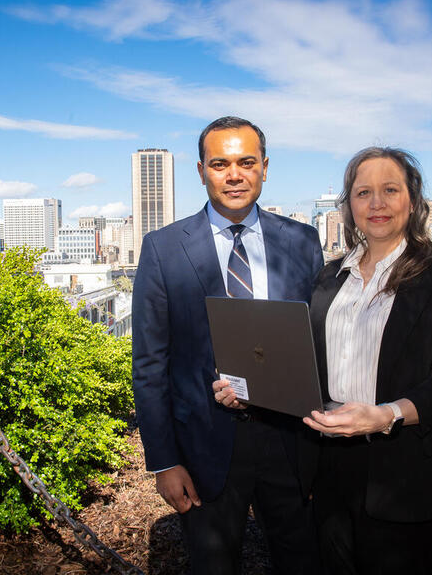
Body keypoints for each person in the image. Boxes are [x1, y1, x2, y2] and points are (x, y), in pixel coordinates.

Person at [132, 116, 324, 575]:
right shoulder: (162, 248)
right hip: (204, 447)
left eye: (246, 162)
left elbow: (316, 340)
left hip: (290, 442)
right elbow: (150, 364)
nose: (234, 174)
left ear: (264, 168)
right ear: (201, 171)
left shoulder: (302, 240)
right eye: (220, 163)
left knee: (303, 561)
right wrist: (163, 463)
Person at [302, 147, 432, 575]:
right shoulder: (329, 277)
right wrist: (248, 388)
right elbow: (306, 365)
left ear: (413, 202)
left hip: (410, 474)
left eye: (389, 190)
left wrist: (386, 415)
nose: (376, 203)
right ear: (349, 207)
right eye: (363, 192)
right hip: (331, 471)